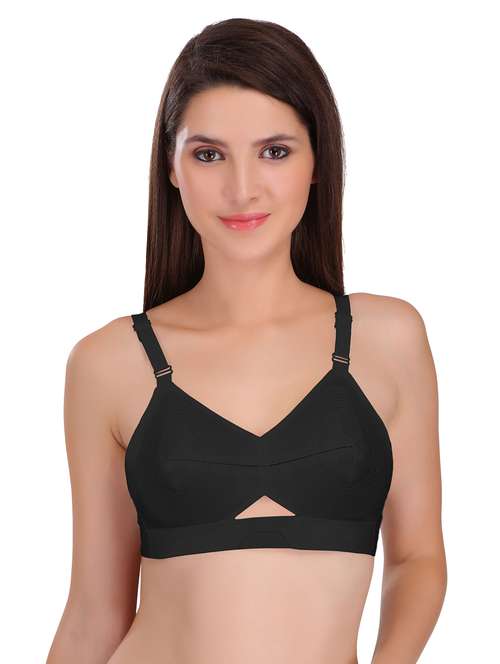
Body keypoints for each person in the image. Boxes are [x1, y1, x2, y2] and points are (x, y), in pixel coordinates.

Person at [46, 17, 447, 664]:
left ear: (318, 162)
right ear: (171, 167)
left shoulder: (387, 338)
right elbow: (94, 614)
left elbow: (418, 559)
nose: (241, 188)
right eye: (209, 154)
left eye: (275, 151)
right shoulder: (109, 363)